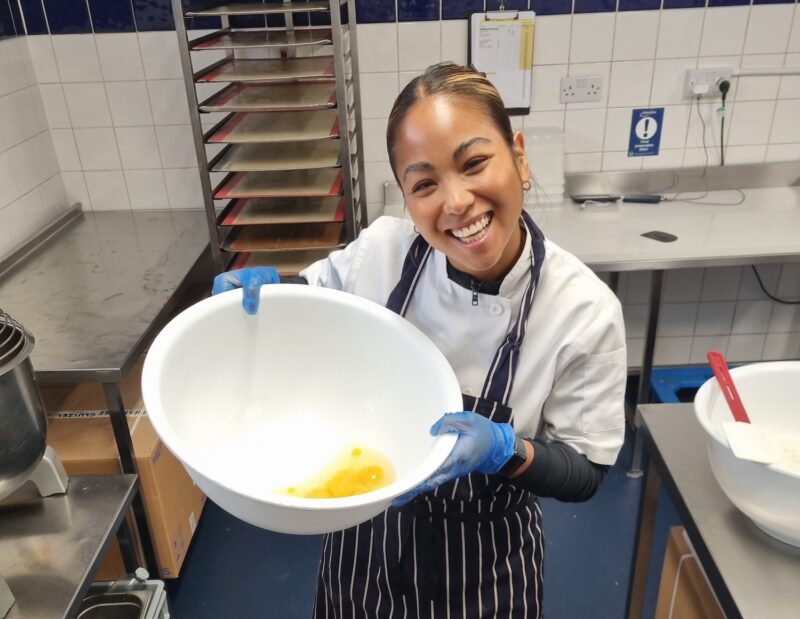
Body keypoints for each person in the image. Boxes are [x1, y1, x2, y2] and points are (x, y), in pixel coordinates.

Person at [213, 62, 626, 618]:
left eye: (474, 163)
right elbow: (310, 307)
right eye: (425, 183)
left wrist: (506, 450)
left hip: (488, 565)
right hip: (365, 538)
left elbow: (585, 472)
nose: (455, 202)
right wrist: (264, 298)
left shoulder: (581, 309)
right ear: (406, 198)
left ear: (519, 156)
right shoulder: (381, 251)